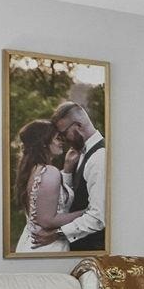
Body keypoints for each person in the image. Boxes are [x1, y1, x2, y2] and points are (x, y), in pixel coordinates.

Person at [36, 101, 105, 250]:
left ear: (78, 126)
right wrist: (67, 170)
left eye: (63, 133)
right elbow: (74, 198)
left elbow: (98, 217)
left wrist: (57, 233)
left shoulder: (99, 158)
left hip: (92, 249)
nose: (62, 139)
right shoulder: (78, 153)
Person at [13, 120, 80, 254]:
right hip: (47, 246)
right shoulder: (49, 171)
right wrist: (87, 213)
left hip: (30, 243)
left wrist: (67, 170)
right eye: (57, 138)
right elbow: (48, 221)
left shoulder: (31, 170)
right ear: (44, 142)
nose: (61, 141)